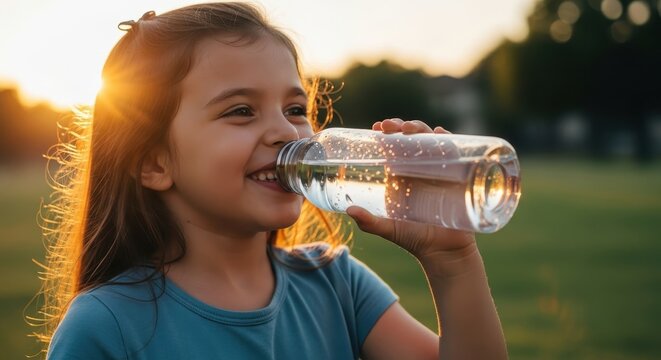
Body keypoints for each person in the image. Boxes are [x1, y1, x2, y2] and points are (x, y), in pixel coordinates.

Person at [37, 2, 507, 359]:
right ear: (155, 163)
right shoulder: (107, 326)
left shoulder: (336, 285)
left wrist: (452, 261)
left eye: (296, 109)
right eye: (240, 110)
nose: (287, 132)